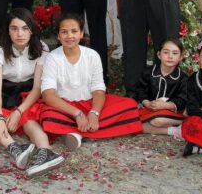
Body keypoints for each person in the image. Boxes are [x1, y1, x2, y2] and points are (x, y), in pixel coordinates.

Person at [0, 8, 64, 177]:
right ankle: (14, 147)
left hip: (28, 94)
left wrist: (19, 112)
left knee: (29, 118)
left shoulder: (41, 48)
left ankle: (46, 152)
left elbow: (37, 88)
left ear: (31, 30)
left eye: (24, 28)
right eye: (14, 28)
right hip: (5, 91)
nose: (19, 33)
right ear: (8, 31)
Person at [39, 13, 142, 149]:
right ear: (58, 36)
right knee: (47, 116)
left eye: (74, 31)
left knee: (129, 105)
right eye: (64, 32)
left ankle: (73, 131)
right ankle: (88, 129)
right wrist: (77, 113)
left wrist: (94, 113)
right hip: (64, 107)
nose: (70, 36)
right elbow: (48, 95)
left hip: (90, 104)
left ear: (81, 34)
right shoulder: (52, 58)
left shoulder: (92, 56)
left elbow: (98, 90)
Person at [133, 38, 187, 136]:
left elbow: (183, 99)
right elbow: (140, 89)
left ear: (181, 57)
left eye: (175, 53)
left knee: (156, 121)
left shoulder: (183, 78)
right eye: (166, 52)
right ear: (159, 55)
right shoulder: (148, 72)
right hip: (148, 110)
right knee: (131, 120)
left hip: (170, 113)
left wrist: (167, 105)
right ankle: (174, 131)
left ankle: (185, 122)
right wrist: (146, 102)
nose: (170, 56)